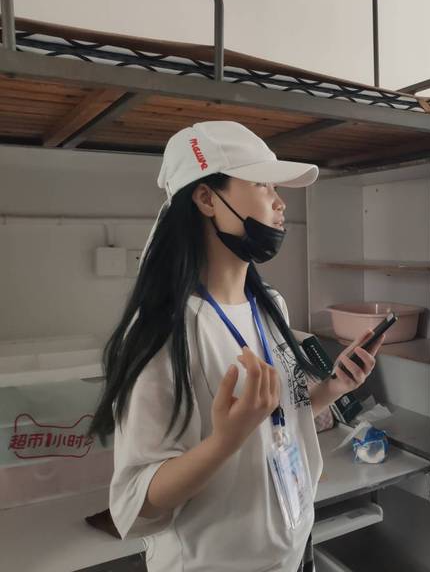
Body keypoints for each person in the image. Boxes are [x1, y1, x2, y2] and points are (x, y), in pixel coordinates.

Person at [89, 121, 385, 572]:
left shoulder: (270, 307)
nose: (280, 202)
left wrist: (333, 387)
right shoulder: (162, 331)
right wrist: (225, 441)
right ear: (207, 198)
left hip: (291, 551)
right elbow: (138, 499)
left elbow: (278, 414)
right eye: (263, 184)